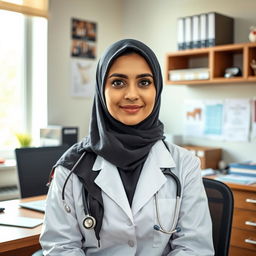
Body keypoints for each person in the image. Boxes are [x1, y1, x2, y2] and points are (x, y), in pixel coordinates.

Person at [40, 39, 214, 255]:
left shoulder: (184, 164)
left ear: (157, 88)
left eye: (144, 82)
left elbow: (194, 248)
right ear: (101, 89)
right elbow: (61, 247)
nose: (132, 94)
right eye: (118, 83)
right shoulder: (71, 167)